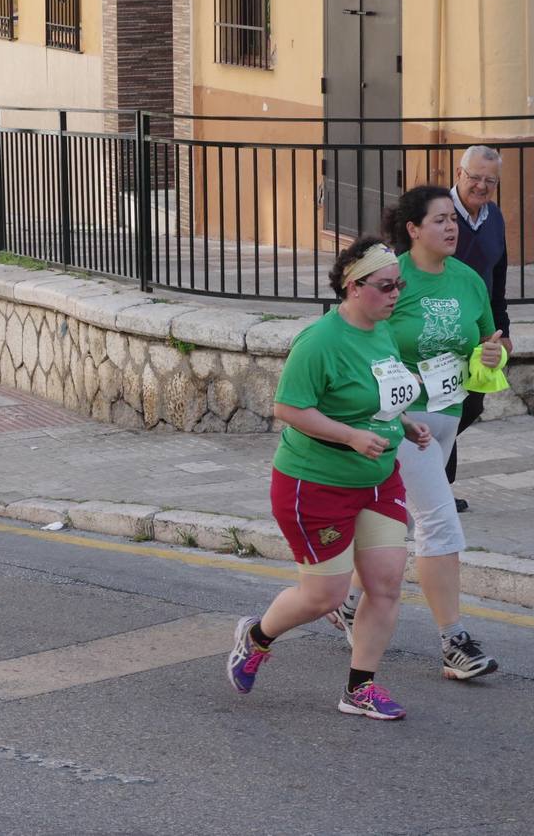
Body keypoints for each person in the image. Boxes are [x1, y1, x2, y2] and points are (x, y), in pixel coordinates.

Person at [227, 238, 430, 720]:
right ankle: (256, 638)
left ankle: (360, 688)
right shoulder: (319, 341)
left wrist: (405, 422)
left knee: (385, 585)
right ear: (354, 287)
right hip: (314, 483)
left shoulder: (383, 332)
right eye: (385, 286)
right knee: (325, 596)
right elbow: (288, 408)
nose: (395, 293)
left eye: (398, 284)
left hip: (379, 480)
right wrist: (350, 437)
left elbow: (379, 391)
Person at [333, 186, 504, 681]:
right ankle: (454, 642)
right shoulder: (390, 278)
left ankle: (346, 602)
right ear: (412, 229)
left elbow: (486, 343)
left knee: (397, 519)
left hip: (447, 415)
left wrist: (490, 356)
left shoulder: (468, 280)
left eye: (453, 219)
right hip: (401, 419)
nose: (451, 227)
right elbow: (352, 334)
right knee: (439, 520)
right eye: (439, 220)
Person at [445, 145, 511, 510]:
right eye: (474, 177)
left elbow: (497, 278)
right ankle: (438, 486)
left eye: (490, 180)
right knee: (444, 404)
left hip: (477, 330)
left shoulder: (494, 218)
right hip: (438, 325)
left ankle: (431, 479)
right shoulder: (439, 212)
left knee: (470, 406)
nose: (481, 186)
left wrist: (503, 329)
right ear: (459, 173)